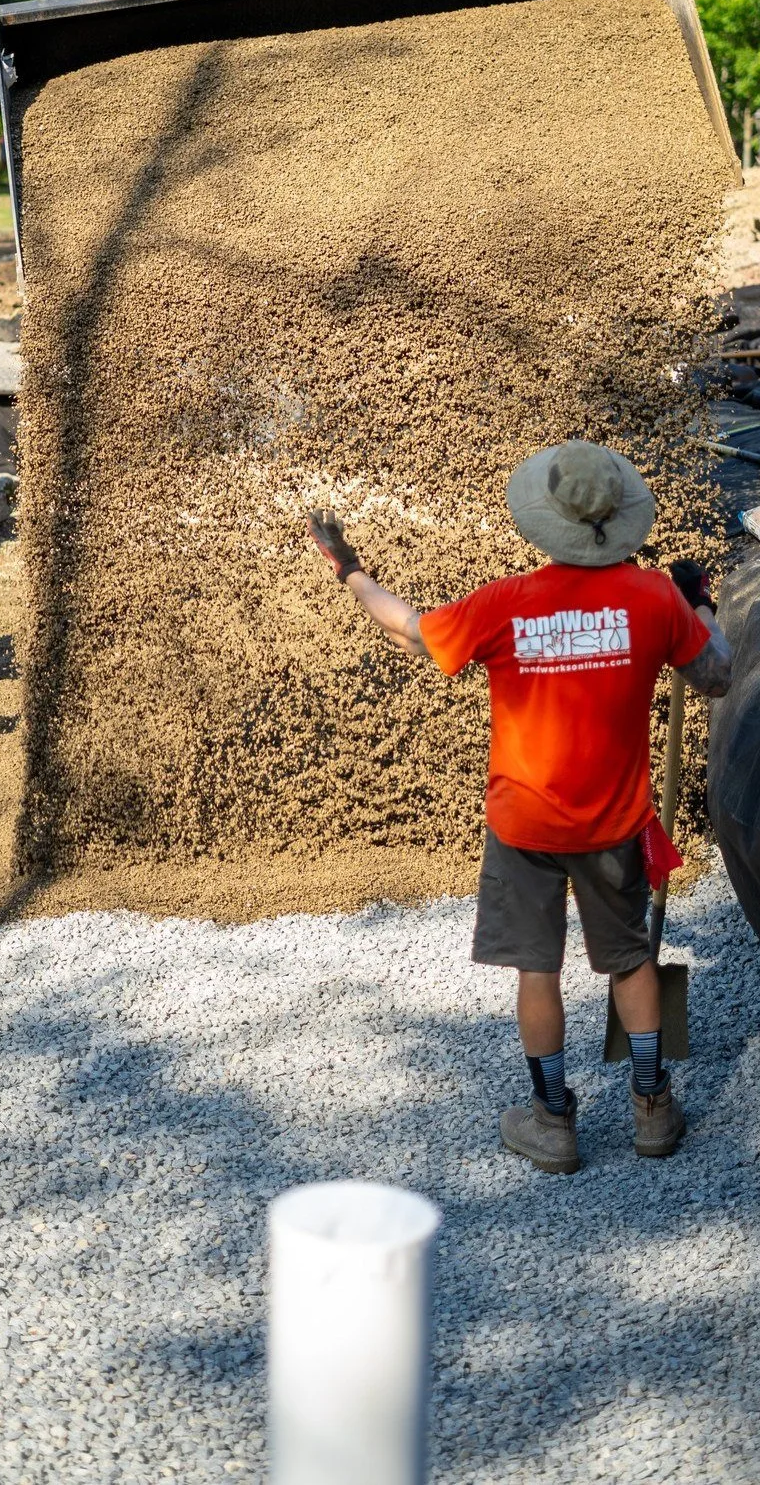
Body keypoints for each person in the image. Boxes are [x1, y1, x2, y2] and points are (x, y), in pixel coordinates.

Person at [307, 439, 733, 1173]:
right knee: (630, 960)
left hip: (524, 823)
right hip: (614, 825)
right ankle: (651, 1108)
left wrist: (349, 570)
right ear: (619, 518)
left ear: (546, 520)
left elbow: (409, 628)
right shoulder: (653, 599)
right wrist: (698, 599)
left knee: (536, 969)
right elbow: (717, 675)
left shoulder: (506, 604)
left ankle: (552, 1121)